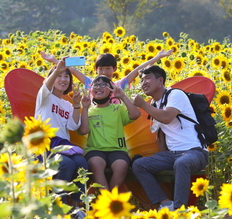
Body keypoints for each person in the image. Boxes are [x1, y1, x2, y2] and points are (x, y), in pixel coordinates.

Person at [132, 65, 208, 210]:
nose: (143, 83)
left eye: (147, 78)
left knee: (182, 163)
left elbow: (167, 118)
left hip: (195, 151)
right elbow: (161, 135)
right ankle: (166, 204)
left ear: (160, 80)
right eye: (141, 80)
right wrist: (159, 159)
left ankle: (179, 209)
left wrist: (142, 104)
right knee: (139, 165)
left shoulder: (175, 95)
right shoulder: (155, 104)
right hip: (172, 154)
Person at [35, 57, 88, 202]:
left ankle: (78, 206)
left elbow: (73, 126)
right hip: (44, 147)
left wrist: (77, 105)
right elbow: (46, 86)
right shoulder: (44, 98)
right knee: (66, 164)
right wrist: (57, 68)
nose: (63, 79)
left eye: (66, 77)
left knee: (82, 164)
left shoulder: (67, 104)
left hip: (63, 146)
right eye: (59, 76)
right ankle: (59, 205)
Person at [78, 75, 140, 192]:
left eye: (103, 85)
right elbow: (83, 131)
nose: (99, 87)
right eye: (96, 85)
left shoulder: (118, 108)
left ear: (111, 89)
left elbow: (135, 114)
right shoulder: (89, 110)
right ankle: (107, 199)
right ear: (91, 90)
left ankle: (109, 199)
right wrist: (85, 109)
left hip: (117, 150)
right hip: (95, 150)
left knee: (121, 165)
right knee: (95, 164)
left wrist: (122, 96)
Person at [40, 49, 174, 100]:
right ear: (96, 70)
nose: (104, 72)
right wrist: (54, 60)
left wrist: (157, 57)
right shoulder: (91, 84)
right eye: (101, 69)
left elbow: (138, 69)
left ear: (115, 69)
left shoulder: (119, 85)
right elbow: (72, 70)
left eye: (108, 68)